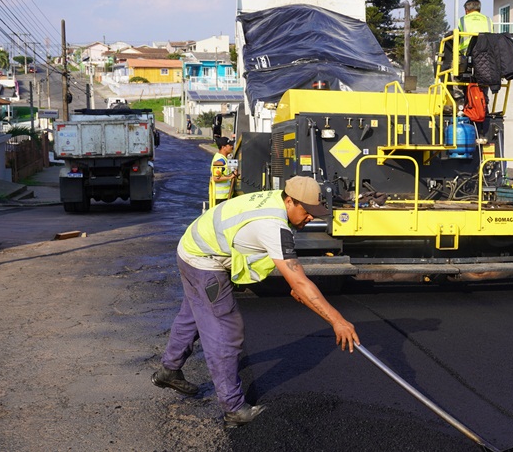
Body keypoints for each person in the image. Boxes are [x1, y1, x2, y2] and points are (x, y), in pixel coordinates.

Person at [152, 176, 359, 428]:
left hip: (192, 247)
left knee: (192, 316)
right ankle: (234, 408)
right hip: (203, 260)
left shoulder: (274, 199)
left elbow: (282, 263)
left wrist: (298, 287)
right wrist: (338, 321)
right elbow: (299, 280)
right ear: (290, 201)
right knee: (226, 331)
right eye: (306, 212)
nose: (311, 218)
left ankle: (169, 370)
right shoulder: (273, 226)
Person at [211, 137, 236, 205]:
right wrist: (230, 177)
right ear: (223, 147)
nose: (232, 146)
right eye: (229, 145)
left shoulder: (224, 158)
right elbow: (215, 178)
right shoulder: (220, 160)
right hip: (220, 197)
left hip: (226, 196)